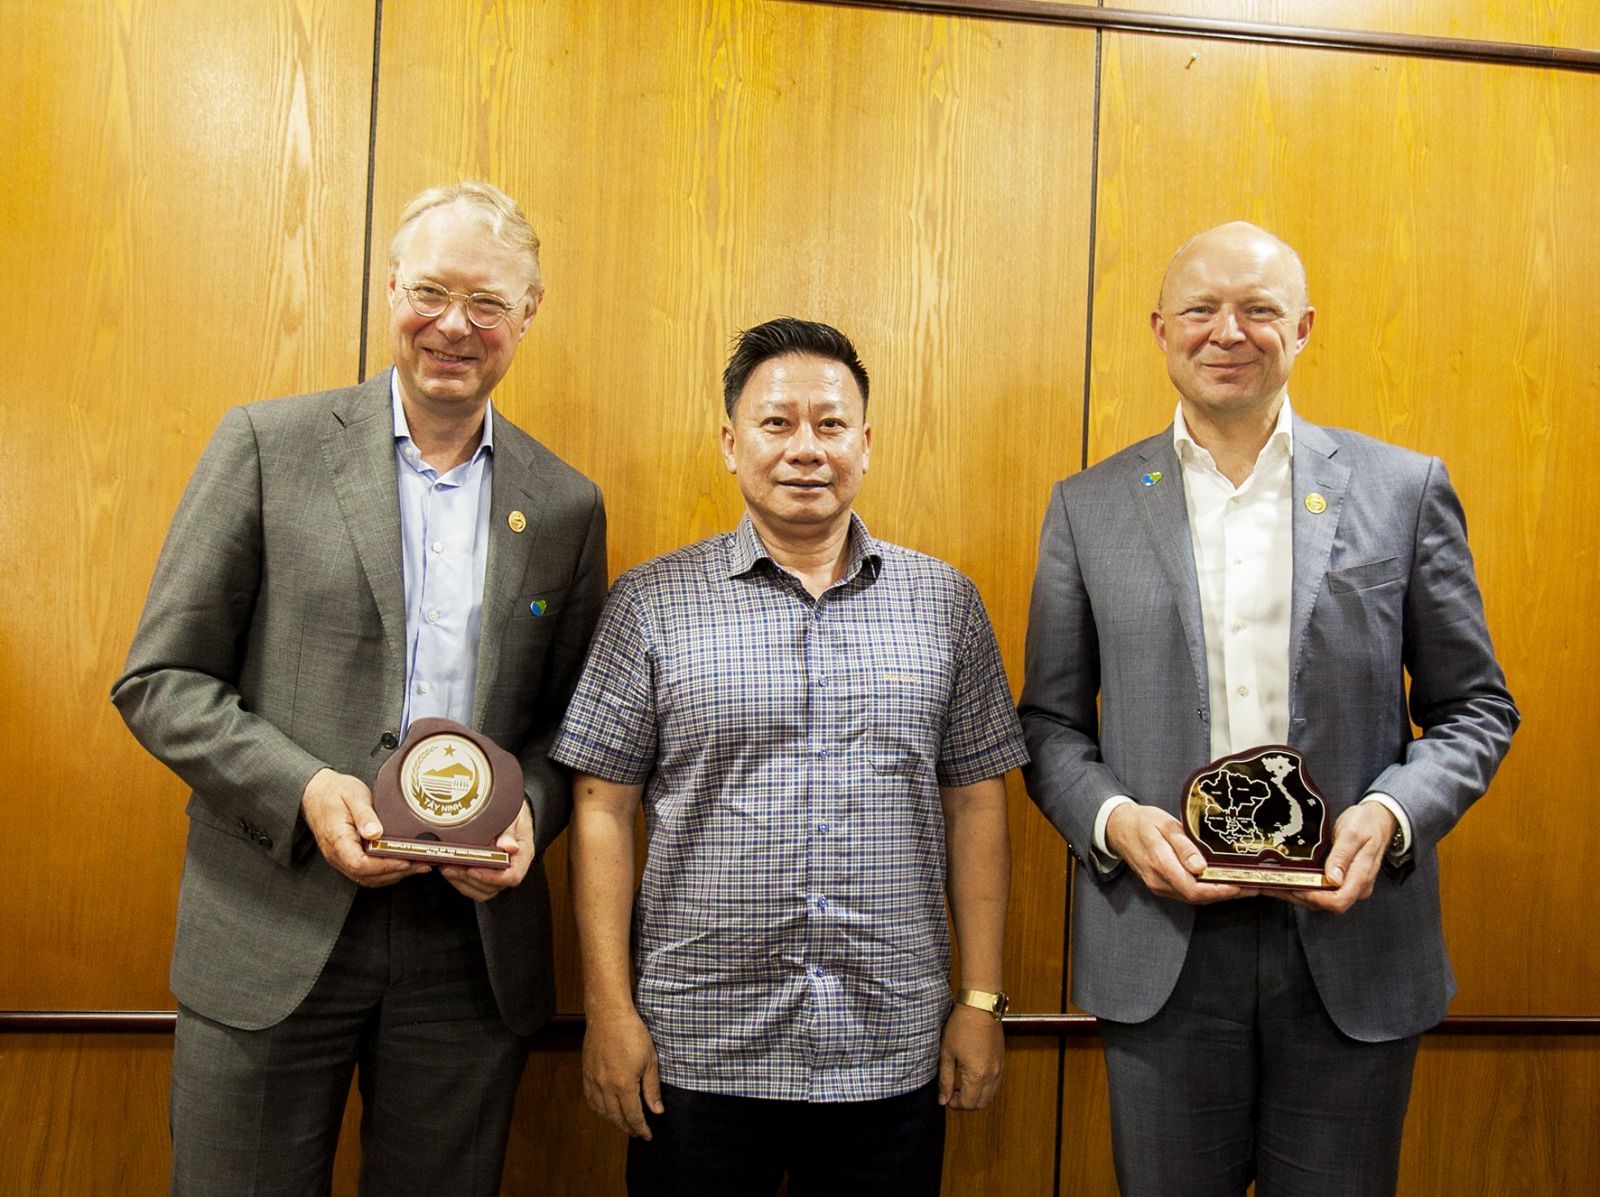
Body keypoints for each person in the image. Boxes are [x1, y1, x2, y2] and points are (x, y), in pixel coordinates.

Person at [111, 181, 607, 1195]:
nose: (454, 326)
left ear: (528, 314)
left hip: (466, 954)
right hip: (272, 921)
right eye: (430, 291)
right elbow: (161, 679)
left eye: (487, 302)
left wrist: (531, 813)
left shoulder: (564, 504)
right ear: (389, 290)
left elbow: (571, 727)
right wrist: (304, 789)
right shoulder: (266, 447)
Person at [1019, 221, 1518, 1196]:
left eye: (1258, 309)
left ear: (1303, 328)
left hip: (1352, 941)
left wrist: (1392, 814)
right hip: (1162, 947)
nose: (1228, 332)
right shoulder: (1088, 506)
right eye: (1200, 309)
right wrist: (1114, 821)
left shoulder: (1403, 490)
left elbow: (1475, 708)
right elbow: (1048, 724)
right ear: (1159, 328)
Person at [551, 317, 1027, 1195]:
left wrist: (981, 998)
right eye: (776, 422)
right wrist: (608, 1009)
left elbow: (977, 802)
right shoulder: (651, 603)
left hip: (889, 1046)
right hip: (696, 1049)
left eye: (830, 423)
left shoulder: (946, 603)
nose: (805, 447)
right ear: (731, 442)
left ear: (865, 443)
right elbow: (601, 808)